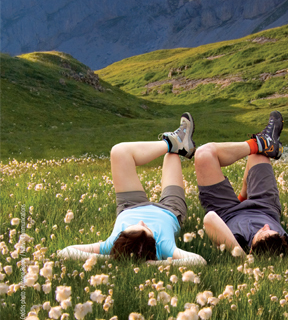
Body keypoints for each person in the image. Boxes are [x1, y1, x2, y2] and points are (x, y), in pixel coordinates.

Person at [58, 113, 206, 265]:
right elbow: (198, 261)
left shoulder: (110, 245)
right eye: (147, 228)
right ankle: (176, 145)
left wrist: (111, 257)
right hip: (170, 209)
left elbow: (65, 252)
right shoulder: (165, 247)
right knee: (172, 156)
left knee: (119, 152)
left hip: (130, 205)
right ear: (155, 247)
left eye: (132, 227)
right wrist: (154, 264)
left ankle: (174, 142)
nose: (141, 221)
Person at [194, 111, 288, 256]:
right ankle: (264, 144)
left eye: (263, 231)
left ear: (251, 248)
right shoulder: (283, 243)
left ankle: (260, 143)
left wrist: (241, 255)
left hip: (226, 212)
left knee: (203, 154)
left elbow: (210, 219)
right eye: (273, 231)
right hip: (265, 207)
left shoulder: (240, 243)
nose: (266, 226)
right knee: (260, 153)